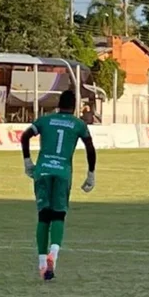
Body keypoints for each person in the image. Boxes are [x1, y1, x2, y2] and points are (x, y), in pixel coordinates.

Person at [21, 89, 97, 281]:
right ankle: (53, 254)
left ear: (58, 104)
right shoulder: (78, 124)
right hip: (63, 172)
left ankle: (41, 263)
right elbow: (90, 148)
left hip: (43, 170)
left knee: (43, 216)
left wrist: (28, 162)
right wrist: (91, 174)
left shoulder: (45, 120)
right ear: (74, 107)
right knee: (58, 215)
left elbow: (25, 136)